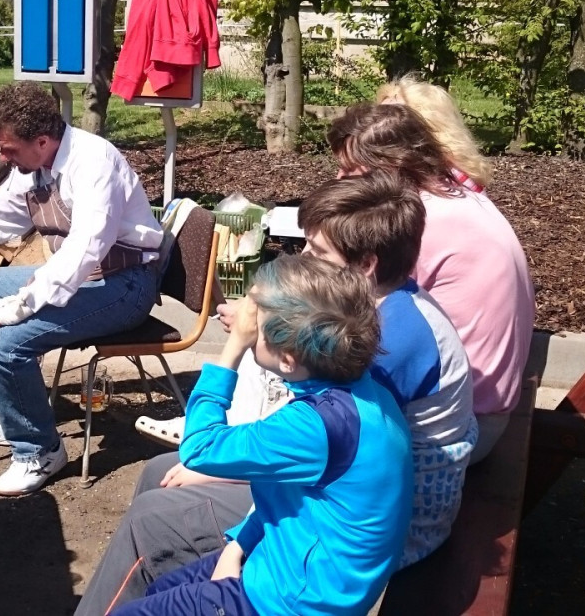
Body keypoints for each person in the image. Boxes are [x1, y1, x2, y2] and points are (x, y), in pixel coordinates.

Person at [74, 173, 474, 616]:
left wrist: (235, 346)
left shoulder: (387, 348)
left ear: (365, 266)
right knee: (160, 479)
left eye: (317, 251)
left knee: (151, 520)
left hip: (320, 573)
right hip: (319, 526)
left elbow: (228, 448)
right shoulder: (352, 336)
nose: (304, 259)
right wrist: (238, 543)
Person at [111, 255, 411, 616]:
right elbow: (288, 500)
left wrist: (234, 348)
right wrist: (237, 546)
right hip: (297, 565)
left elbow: (199, 448)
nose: (245, 322)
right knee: (161, 588)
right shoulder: (363, 394)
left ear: (287, 360)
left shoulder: (315, 426)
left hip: (290, 602)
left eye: (256, 322)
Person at [0, 82, 165, 496]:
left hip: (125, 285)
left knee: (3, 342)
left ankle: (39, 450)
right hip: (84, 275)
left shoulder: (93, 163)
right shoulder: (32, 166)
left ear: (42, 141)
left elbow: (86, 248)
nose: (2, 157)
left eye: (8, 149)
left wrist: (21, 304)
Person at [327, 101, 535, 460]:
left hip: (458, 428)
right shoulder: (453, 195)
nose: (339, 180)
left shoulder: (420, 226)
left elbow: (350, 311)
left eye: (350, 170)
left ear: (389, 167)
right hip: (479, 402)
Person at [375, 72, 492, 190]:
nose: (377, 127)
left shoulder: (442, 183)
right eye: (378, 117)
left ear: (428, 127)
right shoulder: (451, 169)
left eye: (392, 119)